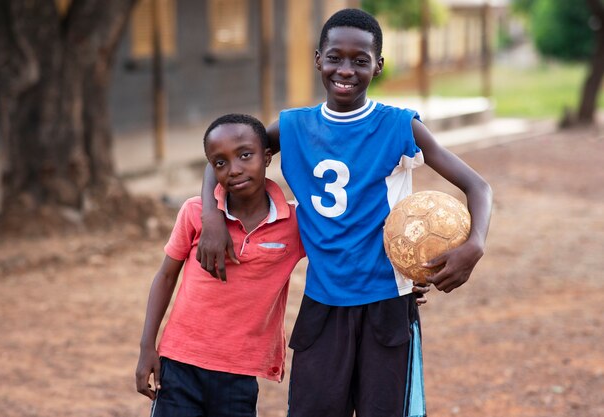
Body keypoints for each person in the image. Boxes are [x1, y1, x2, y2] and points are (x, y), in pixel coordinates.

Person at [197, 8, 492, 417]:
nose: (346, 70)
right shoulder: (292, 127)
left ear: (379, 66)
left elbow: (478, 186)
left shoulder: (399, 126)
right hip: (323, 303)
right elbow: (223, 155)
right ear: (318, 58)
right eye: (335, 57)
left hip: (387, 303)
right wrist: (211, 218)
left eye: (360, 60)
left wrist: (474, 244)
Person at [135, 114, 307, 417]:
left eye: (245, 155)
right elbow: (165, 277)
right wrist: (147, 347)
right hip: (179, 364)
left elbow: (343, 252)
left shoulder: (294, 223)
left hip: (239, 372)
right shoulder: (195, 212)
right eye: (221, 163)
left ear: (267, 157)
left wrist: (403, 279)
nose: (235, 169)